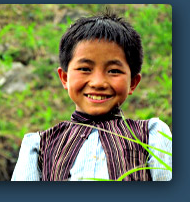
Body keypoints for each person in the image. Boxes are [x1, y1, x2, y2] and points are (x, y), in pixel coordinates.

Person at [11, 14, 172, 181]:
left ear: (133, 82)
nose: (98, 83)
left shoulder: (151, 136)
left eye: (114, 71)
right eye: (85, 69)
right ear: (65, 78)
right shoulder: (39, 146)